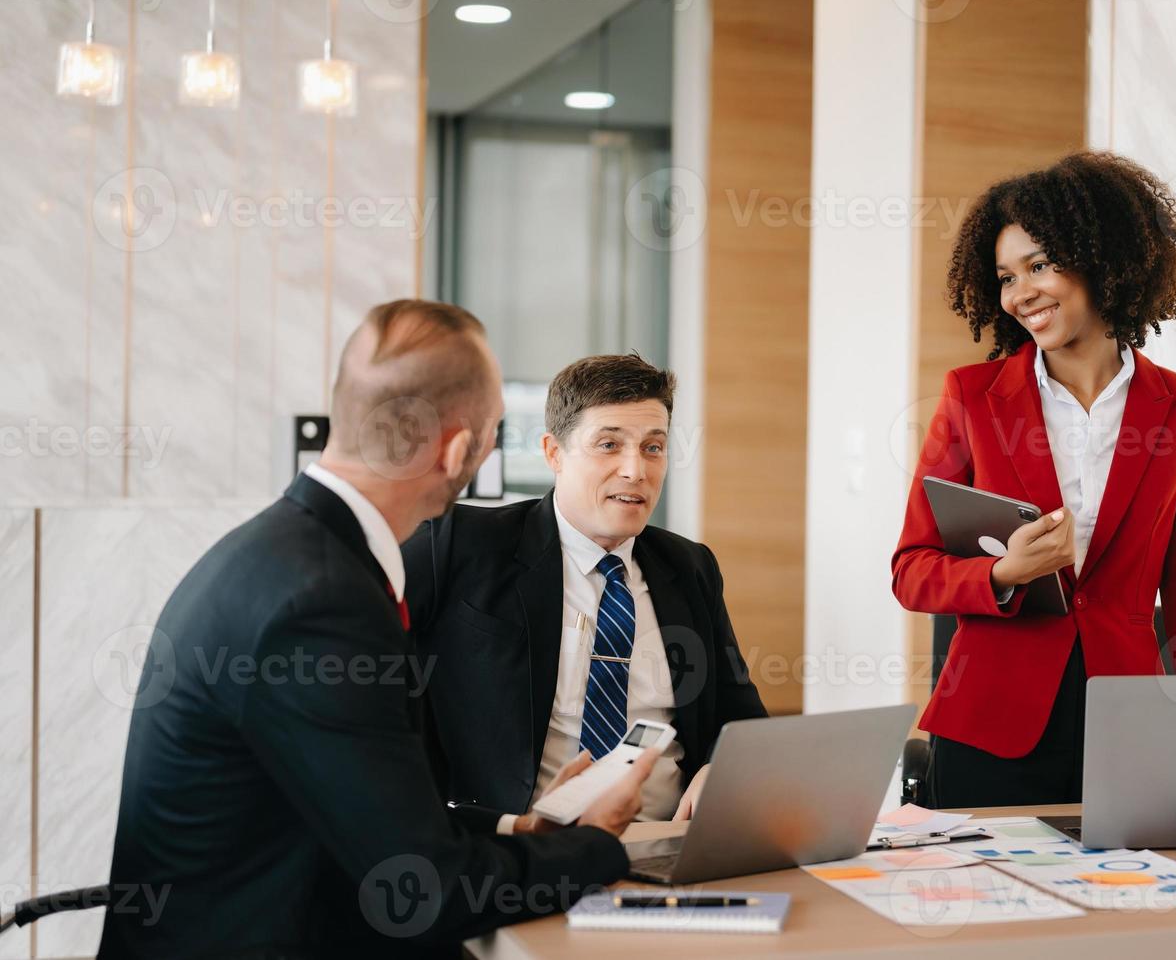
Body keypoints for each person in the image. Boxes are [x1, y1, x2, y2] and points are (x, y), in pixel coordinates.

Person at [100, 301, 653, 958]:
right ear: (455, 452)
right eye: (492, 434)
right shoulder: (323, 603)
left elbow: (367, 805)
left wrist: (519, 826)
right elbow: (425, 890)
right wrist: (595, 848)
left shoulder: (281, 553)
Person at [893, 152, 1176, 809]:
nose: (1020, 293)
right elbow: (911, 569)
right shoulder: (972, 397)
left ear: (1101, 259)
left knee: (1137, 907)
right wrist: (1001, 574)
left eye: (1040, 265)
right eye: (1006, 276)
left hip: (1131, 727)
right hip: (990, 728)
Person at [404, 353, 767, 833]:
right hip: (521, 847)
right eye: (609, 444)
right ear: (554, 453)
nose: (635, 470)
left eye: (653, 448)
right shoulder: (458, 545)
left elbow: (742, 723)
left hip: (666, 843)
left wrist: (723, 769)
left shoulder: (689, 566)